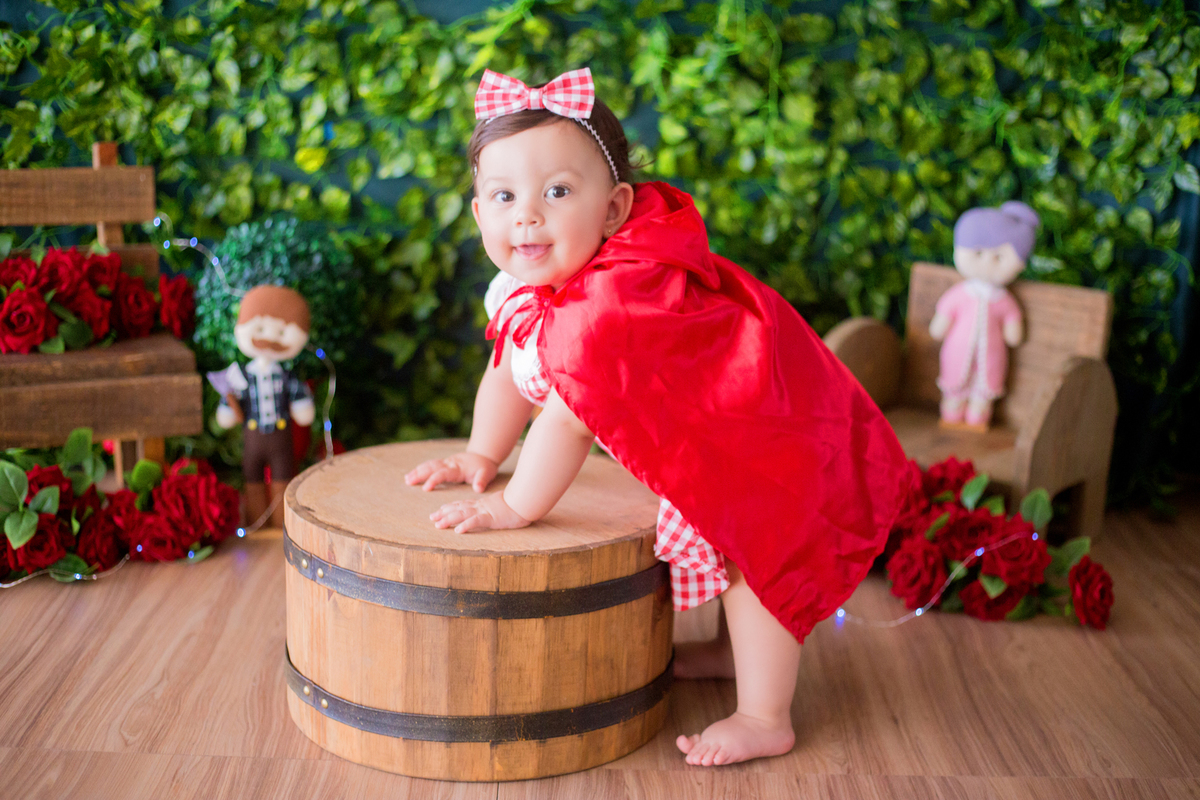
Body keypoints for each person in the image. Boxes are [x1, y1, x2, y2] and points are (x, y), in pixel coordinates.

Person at [404, 68, 912, 766]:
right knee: (728, 545)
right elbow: (510, 365)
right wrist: (481, 454)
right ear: (477, 214)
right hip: (704, 421)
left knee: (752, 551)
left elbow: (566, 419)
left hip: (758, 433)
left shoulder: (606, 308)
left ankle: (766, 715)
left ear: (613, 209)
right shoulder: (525, 287)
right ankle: (730, 654)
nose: (527, 214)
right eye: (504, 196)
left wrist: (515, 506)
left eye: (557, 192)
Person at [213, 284, 315, 527]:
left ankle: (282, 523)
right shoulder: (241, 377)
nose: (269, 338)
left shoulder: (287, 377)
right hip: (253, 436)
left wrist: (302, 405)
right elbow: (229, 406)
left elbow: (301, 404)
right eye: (260, 328)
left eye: (280, 333)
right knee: (252, 477)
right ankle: (257, 521)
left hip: (281, 438)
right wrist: (227, 408)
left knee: (283, 477)